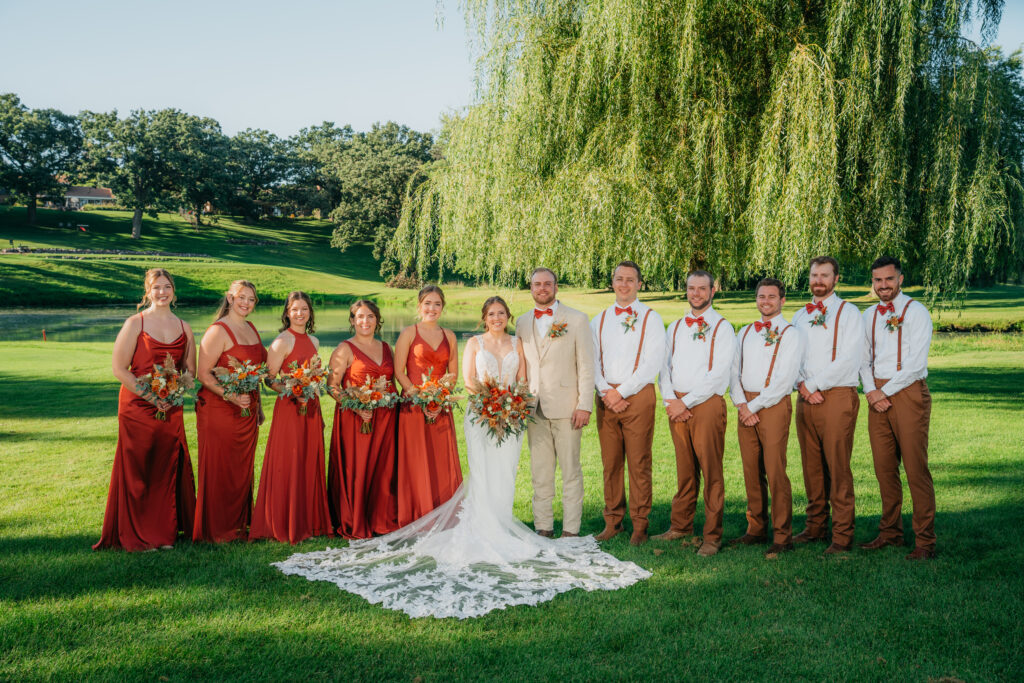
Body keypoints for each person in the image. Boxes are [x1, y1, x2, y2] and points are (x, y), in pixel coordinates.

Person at [273, 296, 649, 619]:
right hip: (478, 413)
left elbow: (519, 378)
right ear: (483, 319)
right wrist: (481, 402)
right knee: (483, 472)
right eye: (492, 314)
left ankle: (523, 525)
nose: (497, 319)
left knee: (514, 472)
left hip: (512, 414)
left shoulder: (515, 340)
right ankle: (481, 523)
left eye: (502, 313)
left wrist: (511, 404)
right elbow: (466, 380)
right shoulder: (469, 342)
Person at [94, 268, 197, 551]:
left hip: (170, 407)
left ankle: (163, 533)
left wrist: (176, 390)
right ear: (147, 292)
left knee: (165, 468)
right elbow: (119, 369)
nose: (162, 293)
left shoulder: (185, 327)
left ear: (173, 291)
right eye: (156, 288)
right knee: (139, 468)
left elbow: (190, 370)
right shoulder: (134, 324)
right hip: (137, 407)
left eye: (167, 287)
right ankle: (137, 534)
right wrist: (152, 396)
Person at [859, 256, 936, 560]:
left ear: (900, 279)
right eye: (877, 280)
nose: (883, 286)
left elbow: (917, 365)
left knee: (916, 469)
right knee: (884, 469)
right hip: (876, 395)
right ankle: (890, 533)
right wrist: (870, 390)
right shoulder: (868, 315)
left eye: (889, 279)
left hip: (906, 392)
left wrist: (883, 391)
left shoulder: (916, 312)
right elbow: (862, 360)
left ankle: (925, 541)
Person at [654, 270, 736, 556]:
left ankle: (712, 536)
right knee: (684, 469)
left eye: (703, 288)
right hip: (676, 406)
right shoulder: (674, 327)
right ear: (686, 290)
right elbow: (664, 367)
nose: (696, 294)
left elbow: (718, 375)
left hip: (706, 405)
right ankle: (681, 525)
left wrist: (685, 401)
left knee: (711, 471)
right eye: (691, 288)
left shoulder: (723, 327)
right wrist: (669, 399)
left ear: (714, 290)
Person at [791, 256, 864, 554]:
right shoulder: (798, 315)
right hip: (805, 397)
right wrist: (801, 385)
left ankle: (843, 535)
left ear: (836, 279)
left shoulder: (849, 313)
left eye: (824, 275)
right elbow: (790, 356)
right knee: (811, 467)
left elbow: (850, 357)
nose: (818, 280)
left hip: (836, 396)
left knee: (837, 466)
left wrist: (814, 385)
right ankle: (815, 526)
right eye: (814, 275)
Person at [516, 267, 594, 538]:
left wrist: (584, 404)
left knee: (571, 470)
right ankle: (543, 527)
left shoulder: (577, 319)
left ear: (556, 287)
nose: (542, 289)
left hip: (568, 407)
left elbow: (586, 366)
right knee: (540, 472)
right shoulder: (522, 322)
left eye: (547, 284)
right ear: (531, 288)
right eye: (537, 284)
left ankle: (571, 530)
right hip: (533, 408)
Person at [591, 261, 665, 545]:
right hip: (606, 398)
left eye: (630, 280)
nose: (624, 284)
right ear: (612, 282)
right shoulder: (598, 320)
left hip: (637, 397)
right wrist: (605, 390)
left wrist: (621, 392)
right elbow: (593, 359)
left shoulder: (651, 318)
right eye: (619, 279)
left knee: (638, 462)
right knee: (610, 464)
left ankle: (640, 525)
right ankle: (613, 521)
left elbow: (651, 363)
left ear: (639, 284)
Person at [250, 291, 333, 544]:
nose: (300, 313)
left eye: (305, 309)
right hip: (290, 408)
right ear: (287, 312)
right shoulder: (281, 342)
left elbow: (315, 373)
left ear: (310, 313)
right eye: (295, 309)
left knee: (309, 460)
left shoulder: (315, 341)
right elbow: (270, 379)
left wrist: (311, 388)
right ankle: (283, 521)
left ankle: (308, 520)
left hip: (311, 407)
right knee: (289, 460)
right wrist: (295, 391)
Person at [730, 278, 804, 558]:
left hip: (772, 403)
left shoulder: (790, 333)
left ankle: (783, 536)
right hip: (745, 404)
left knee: (775, 470)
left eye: (772, 297)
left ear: (782, 300)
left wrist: (754, 406)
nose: (765, 301)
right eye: (761, 296)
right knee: (751, 470)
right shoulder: (745, 332)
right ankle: (755, 528)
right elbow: (733, 370)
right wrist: (740, 403)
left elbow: (785, 380)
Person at [193, 280, 267, 543]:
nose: (246, 303)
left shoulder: (251, 328)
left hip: (246, 412)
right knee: (220, 467)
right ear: (230, 298)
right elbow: (203, 374)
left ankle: (240, 525)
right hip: (219, 410)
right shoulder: (218, 331)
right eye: (241, 297)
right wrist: (232, 396)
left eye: (251, 299)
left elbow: (260, 369)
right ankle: (216, 530)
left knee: (241, 469)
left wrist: (256, 406)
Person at [326, 300, 398, 538]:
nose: (365, 321)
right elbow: (332, 387)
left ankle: (381, 518)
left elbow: (392, 384)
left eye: (370, 316)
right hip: (356, 420)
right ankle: (354, 519)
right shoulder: (344, 349)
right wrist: (356, 407)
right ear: (352, 321)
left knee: (383, 470)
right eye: (359, 317)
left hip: (385, 420)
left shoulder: (387, 348)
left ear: (377, 320)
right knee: (358, 468)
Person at [392, 285, 462, 527]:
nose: (432, 308)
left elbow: (453, 374)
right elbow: (398, 371)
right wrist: (420, 398)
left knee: (440, 461)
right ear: (419, 306)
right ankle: (417, 515)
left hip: (441, 408)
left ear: (443, 307)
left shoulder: (450, 336)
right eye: (427, 303)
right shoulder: (409, 333)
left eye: (437, 304)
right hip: (413, 408)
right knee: (417, 462)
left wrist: (439, 399)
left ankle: (445, 516)